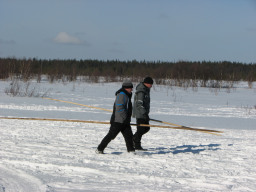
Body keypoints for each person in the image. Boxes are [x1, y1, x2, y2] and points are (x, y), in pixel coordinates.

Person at [96, 80, 135, 154]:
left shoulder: (126, 95)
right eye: (131, 88)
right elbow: (119, 108)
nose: (132, 89)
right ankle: (99, 149)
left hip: (125, 121)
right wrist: (124, 117)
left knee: (129, 136)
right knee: (111, 135)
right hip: (118, 120)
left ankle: (131, 151)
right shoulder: (121, 95)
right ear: (126, 88)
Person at [132, 77, 154, 150]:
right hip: (140, 114)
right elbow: (139, 104)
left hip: (144, 114)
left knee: (146, 128)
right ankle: (137, 145)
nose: (151, 86)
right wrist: (144, 114)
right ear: (147, 83)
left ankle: (134, 138)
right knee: (141, 130)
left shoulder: (146, 90)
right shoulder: (141, 91)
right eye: (151, 84)